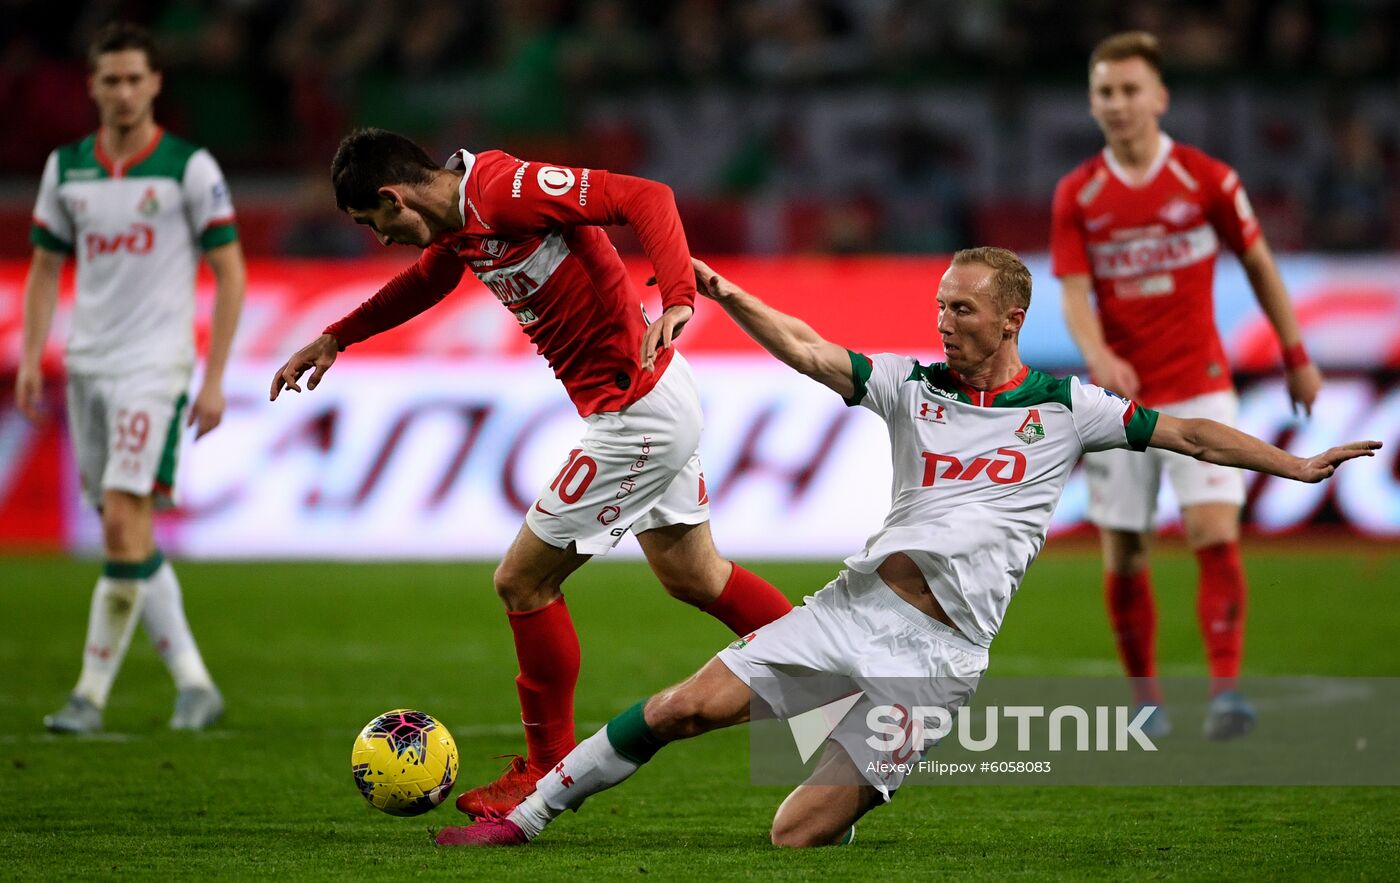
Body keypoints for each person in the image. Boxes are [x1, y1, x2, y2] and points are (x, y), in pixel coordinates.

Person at [434, 248, 1375, 848]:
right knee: (683, 706)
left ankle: (845, 796)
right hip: (850, 613)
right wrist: (725, 292)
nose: (943, 320)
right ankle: (527, 816)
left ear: (1011, 318)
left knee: (792, 835)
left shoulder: (1067, 405)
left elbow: (1195, 436)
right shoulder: (908, 385)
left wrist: (1292, 464)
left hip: (937, 662)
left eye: (962, 309)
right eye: (939, 305)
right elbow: (809, 348)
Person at [269, 129, 793, 816]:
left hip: (636, 414)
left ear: (394, 197)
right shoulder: (458, 225)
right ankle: (838, 685)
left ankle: (545, 772)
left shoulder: (503, 191)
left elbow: (646, 195)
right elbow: (431, 277)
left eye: (376, 224)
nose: (384, 239)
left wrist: (679, 297)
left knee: (522, 580)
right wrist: (339, 334)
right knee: (696, 576)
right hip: (652, 398)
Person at [1050, 31, 1324, 739]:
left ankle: (1226, 693)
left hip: (1200, 380)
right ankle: (1146, 700)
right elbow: (1075, 295)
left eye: (1130, 89)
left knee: (1212, 528)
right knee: (1127, 550)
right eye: (1105, 91)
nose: (1118, 103)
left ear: (1160, 97)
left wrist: (1295, 352)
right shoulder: (1079, 193)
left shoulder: (1206, 179)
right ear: (1092, 100)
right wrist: (1099, 353)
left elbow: (1260, 264)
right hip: (1119, 398)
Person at [19, 22, 246, 733]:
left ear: (154, 85)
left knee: (122, 519)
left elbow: (231, 272)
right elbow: (46, 268)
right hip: (87, 364)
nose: (122, 91)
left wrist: (212, 378)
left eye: (133, 79)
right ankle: (195, 683)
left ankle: (88, 695)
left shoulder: (188, 167)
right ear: (93, 86)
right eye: (109, 80)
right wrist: (31, 356)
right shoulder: (69, 170)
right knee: (125, 534)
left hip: (156, 365)